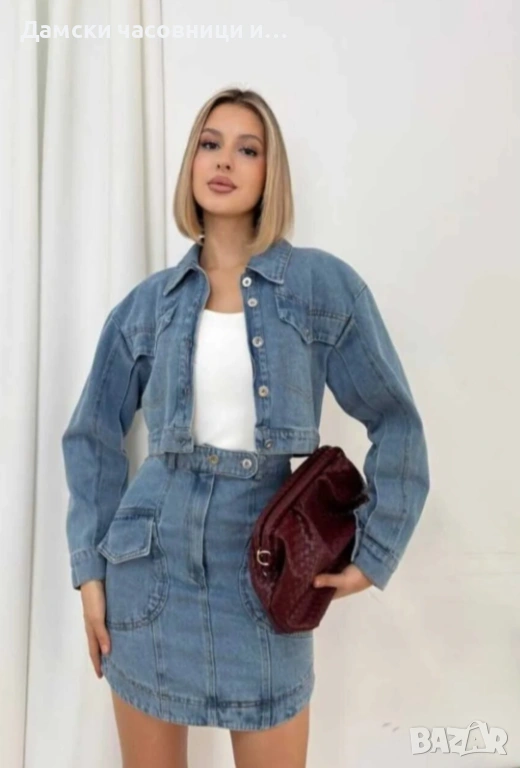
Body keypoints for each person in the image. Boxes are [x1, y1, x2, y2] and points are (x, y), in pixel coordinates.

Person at [62, 87, 430, 768]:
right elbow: (91, 436)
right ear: (191, 163)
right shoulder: (146, 305)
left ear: (271, 172)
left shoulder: (322, 287)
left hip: (266, 573)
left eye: (247, 148)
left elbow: (395, 418)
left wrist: (374, 551)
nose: (223, 160)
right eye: (210, 143)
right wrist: (90, 572)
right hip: (149, 573)